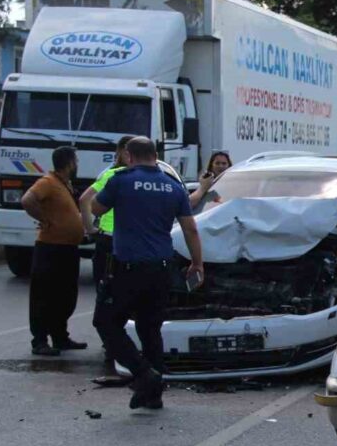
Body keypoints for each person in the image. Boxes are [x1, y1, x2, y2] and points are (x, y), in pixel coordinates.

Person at [93, 137, 204, 409]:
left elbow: (96, 208)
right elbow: (190, 228)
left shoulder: (121, 180)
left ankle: (144, 374)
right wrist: (197, 264)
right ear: (156, 155)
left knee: (106, 322)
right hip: (161, 270)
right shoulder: (174, 186)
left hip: (128, 269)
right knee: (150, 330)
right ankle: (153, 396)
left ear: (129, 155)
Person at [20, 146, 86, 356]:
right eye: (75, 161)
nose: (77, 165)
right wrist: (45, 219)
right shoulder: (48, 182)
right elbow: (27, 200)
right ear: (68, 163)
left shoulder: (64, 184)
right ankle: (39, 341)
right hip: (50, 248)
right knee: (44, 296)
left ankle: (60, 337)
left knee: (65, 296)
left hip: (68, 249)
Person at [80, 135, 133, 364]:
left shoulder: (117, 175)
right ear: (120, 152)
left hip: (111, 241)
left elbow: (84, 200)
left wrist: (90, 228)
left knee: (111, 294)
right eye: (128, 152)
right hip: (116, 241)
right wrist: (90, 227)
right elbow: (85, 199)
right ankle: (115, 343)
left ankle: (114, 341)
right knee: (115, 294)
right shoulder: (112, 175)